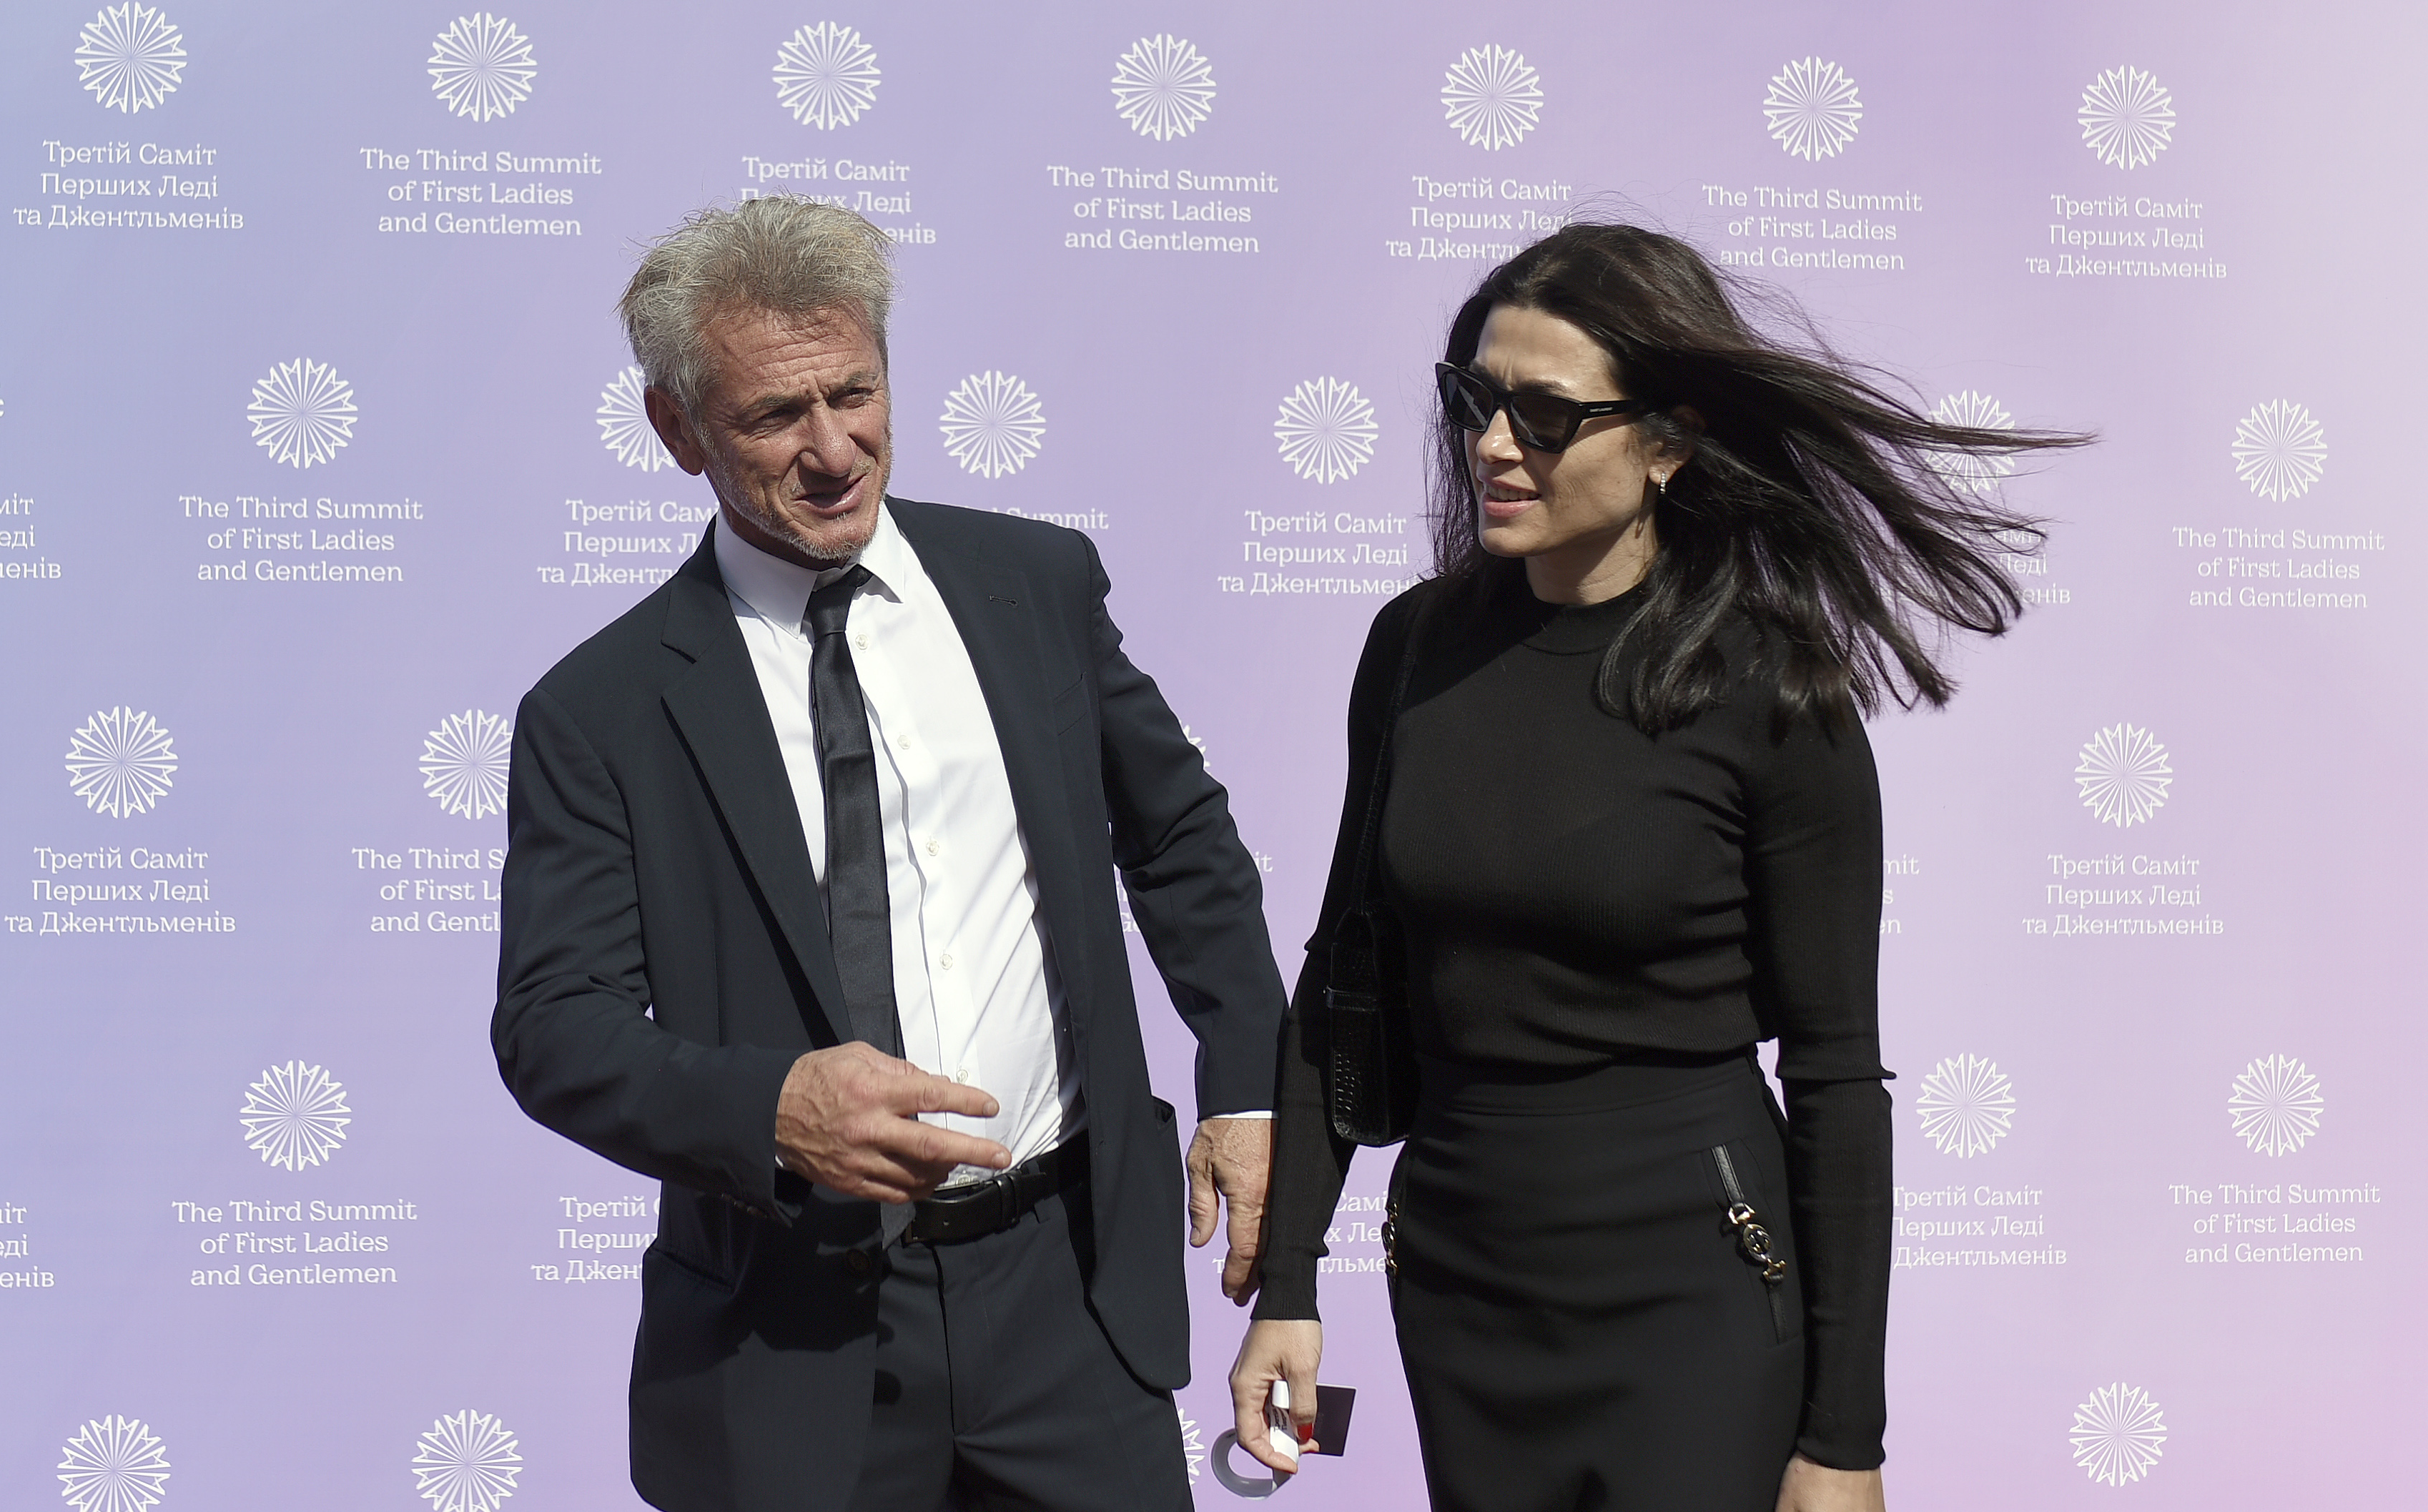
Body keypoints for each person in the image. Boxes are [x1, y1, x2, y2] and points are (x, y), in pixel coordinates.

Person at [1229, 224, 2080, 1511]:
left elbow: (1837, 1080)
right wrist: (1289, 1286)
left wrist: (1845, 1441)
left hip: (1695, 1292)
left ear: (1669, 444)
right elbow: (1344, 972)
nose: (1492, 445)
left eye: (1545, 415)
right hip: (1461, 1285)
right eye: (1473, 400)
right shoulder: (1411, 649)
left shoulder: (1771, 689)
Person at [492, 197, 1286, 1512]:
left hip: (1073, 1298)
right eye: (773, 416)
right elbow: (553, 1027)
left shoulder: (1036, 586)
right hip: (790, 1342)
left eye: (854, 394)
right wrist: (771, 1111)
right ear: (677, 431)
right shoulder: (600, 711)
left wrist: (1247, 1090)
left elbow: (1183, 839)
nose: (832, 450)